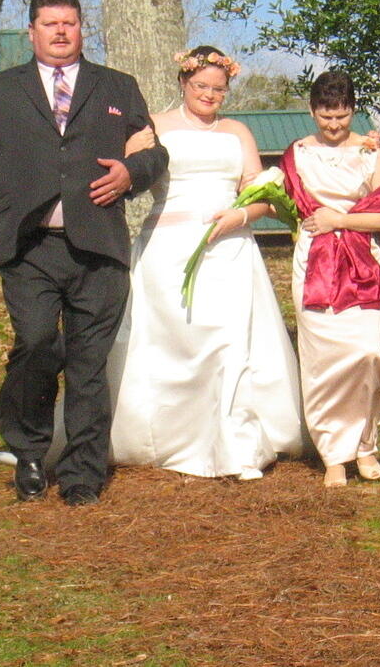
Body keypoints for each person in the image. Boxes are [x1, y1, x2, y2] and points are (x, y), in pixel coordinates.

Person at [0, 0, 168, 506]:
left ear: (81, 29)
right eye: (50, 24)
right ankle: (28, 449)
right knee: (39, 345)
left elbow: (156, 155)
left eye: (69, 23)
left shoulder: (118, 87)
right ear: (32, 32)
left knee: (89, 363)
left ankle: (82, 476)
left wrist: (131, 173)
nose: (61, 32)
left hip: (99, 248)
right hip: (30, 249)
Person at [105, 45, 305, 479]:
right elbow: (131, 174)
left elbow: (264, 197)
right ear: (183, 82)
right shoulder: (154, 125)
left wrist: (240, 214)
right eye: (201, 86)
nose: (209, 96)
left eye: (218, 89)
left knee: (229, 342)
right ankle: (162, 435)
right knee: (170, 341)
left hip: (228, 247)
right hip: (167, 247)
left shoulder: (238, 133)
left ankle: (233, 443)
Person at [280, 71, 380, 487]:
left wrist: (339, 218)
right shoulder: (297, 153)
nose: (334, 125)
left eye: (342, 116)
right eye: (325, 116)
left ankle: (366, 444)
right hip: (314, 262)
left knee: (365, 354)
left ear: (353, 110)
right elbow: (283, 204)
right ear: (312, 111)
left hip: (361, 263)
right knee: (322, 363)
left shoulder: (373, 152)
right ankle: (334, 454)